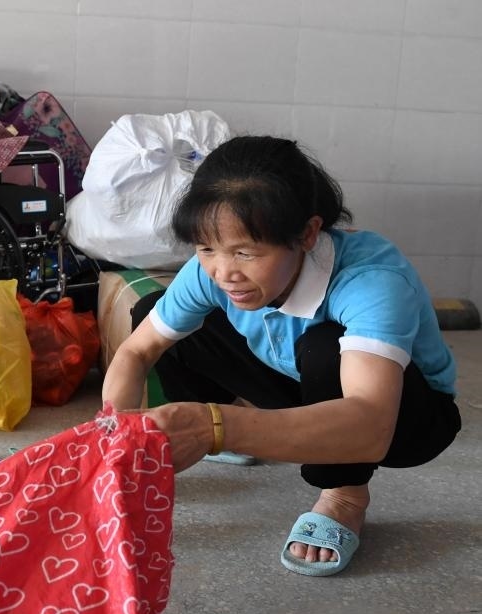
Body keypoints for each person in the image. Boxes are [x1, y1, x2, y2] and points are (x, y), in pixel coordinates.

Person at [102, 135, 461, 577]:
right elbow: (138, 351)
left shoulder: (371, 281)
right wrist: (112, 436)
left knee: (325, 346)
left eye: (245, 253)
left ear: (307, 234)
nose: (223, 272)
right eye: (206, 248)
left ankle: (344, 495)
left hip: (404, 418)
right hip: (296, 378)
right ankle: (230, 427)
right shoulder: (211, 272)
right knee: (154, 314)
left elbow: (371, 424)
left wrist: (213, 426)